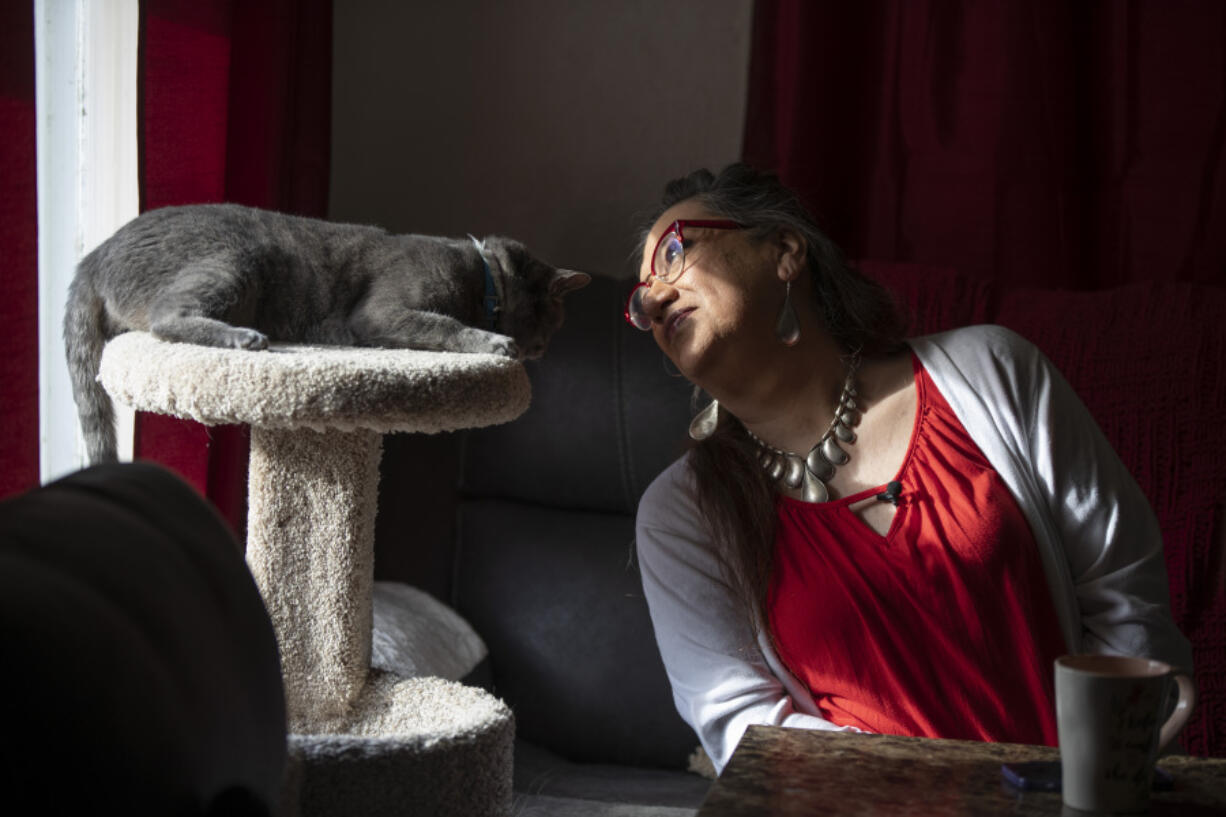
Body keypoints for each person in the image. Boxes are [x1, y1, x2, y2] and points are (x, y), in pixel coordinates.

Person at [629, 163, 1193, 775]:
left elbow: (1126, 598)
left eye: (677, 251)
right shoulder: (679, 515)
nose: (654, 300)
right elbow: (745, 730)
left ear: (784, 251)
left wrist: (1099, 779)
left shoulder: (994, 372)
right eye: (640, 299)